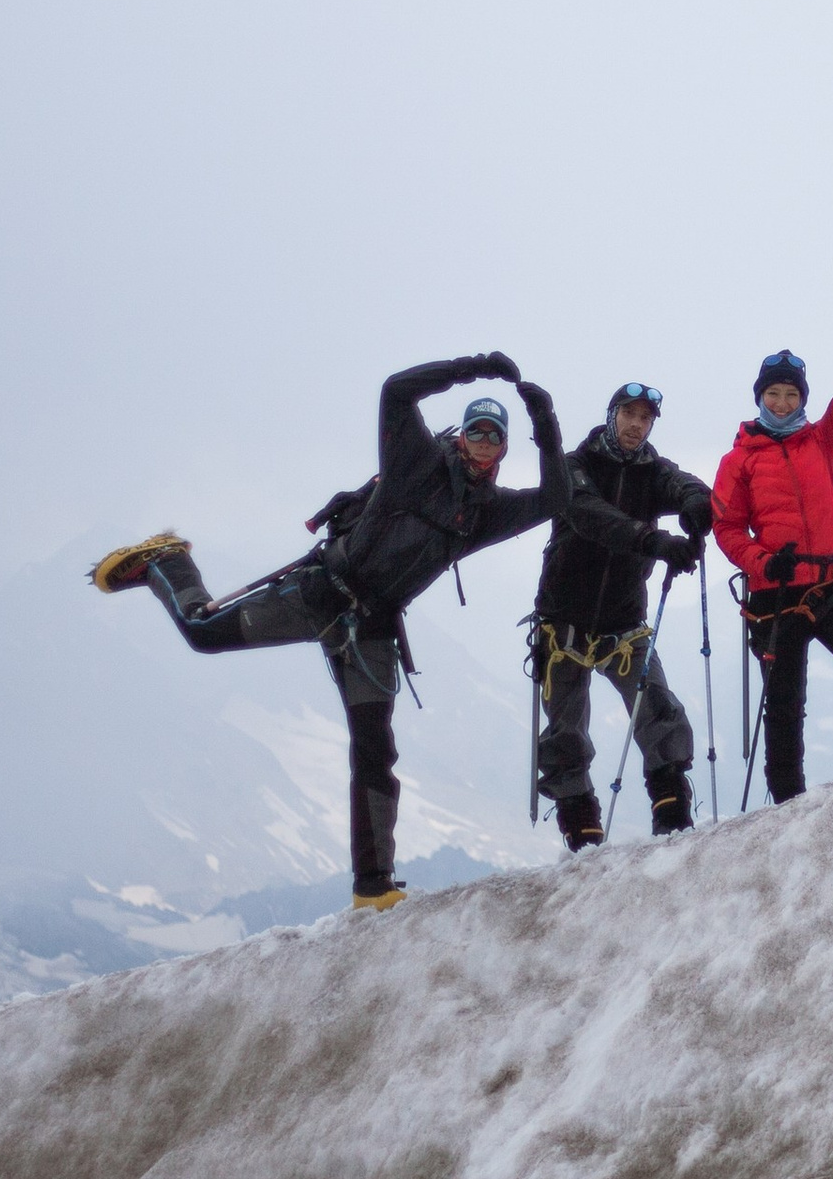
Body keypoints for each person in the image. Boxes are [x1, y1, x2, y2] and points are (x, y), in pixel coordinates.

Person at [88, 356, 568, 909]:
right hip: (320, 592)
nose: (484, 442)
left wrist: (545, 424)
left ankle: (373, 887)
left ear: (504, 448)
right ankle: (166, 561)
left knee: (375, 749)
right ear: (461, 435)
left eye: (495, 436)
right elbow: (397, 390)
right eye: (476, 431)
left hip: (372, 629)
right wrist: (472, 367)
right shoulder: (415, 460)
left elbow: (556, 500)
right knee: (202, 633)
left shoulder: (486, 513)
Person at [711, 287, 833, 803]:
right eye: (773, 394)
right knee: (783, 709)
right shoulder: (739, 461)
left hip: (830, 584)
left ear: (803, 398)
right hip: (774, 594)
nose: (782, 403)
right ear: (759, 397)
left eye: (791, 394)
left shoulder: (824, 439)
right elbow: (727, 529)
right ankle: (788, 809)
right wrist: (762, 562)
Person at [531, 380, 713, 847]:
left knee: (659, 711)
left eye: (645, 418)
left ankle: (672, 818)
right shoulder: (574, 466)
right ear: (611, 415)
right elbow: (587, 513)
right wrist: (653, 540)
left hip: (624, 622)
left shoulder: (654, 470)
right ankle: (582, 834)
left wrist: (696, 502)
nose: (636, 425)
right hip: (564, 623)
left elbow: (684, 483)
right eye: (628, 414)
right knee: (566, 735)